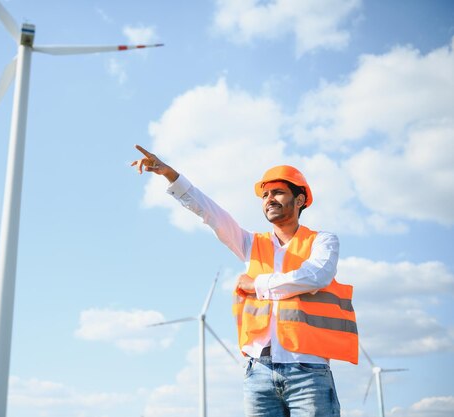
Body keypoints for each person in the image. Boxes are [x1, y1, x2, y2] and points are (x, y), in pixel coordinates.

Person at [131, 144, 358, 417]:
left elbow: (316, 276)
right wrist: (170, 174)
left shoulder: (322, 241)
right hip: (258, 373)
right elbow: (210, 213)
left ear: (300, 200)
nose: (269, 199)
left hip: (308, 373)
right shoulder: (250, 243)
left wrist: (258, 285)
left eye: (278, 192)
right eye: (265, 195)